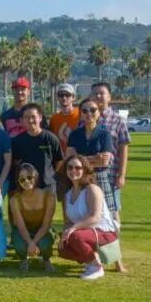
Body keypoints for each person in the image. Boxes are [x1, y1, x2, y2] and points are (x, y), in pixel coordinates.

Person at [58, 154, 120, 280]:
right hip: (83, 233)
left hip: (104, 232)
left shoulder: (92, 189)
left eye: (78, 168)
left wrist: (73, 229)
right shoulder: (67, 195)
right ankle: (91, 258)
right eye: (70, 167)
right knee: (63, 248)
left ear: (85, 170)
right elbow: (68, 221)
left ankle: (96, 267)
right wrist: (64, 234)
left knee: (75, 236)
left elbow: (95, 217)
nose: (73, 170)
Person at [92, 82, 130, 273]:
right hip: (91, 179)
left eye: (102, 93)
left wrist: (121, 175)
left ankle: (117, 260)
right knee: (93, 218)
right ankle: (95, 258)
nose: (98, 97)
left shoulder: (117, 120)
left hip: (111, 177)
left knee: (114, 219)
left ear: (109, 97)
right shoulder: (86, 119)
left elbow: (123, 149)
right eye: (95, 94)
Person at [66, 98, 116, 218]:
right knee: (81, 213)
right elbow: (70, 159)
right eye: (85, 111)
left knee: (107, 215)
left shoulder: (105, 134)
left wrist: (80, 160)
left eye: (93, 110)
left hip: (100, 178)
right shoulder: (74, 135)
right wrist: (95, 158)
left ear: (99, 113)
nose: (89, 113)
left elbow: (104, 162)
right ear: (81, 114)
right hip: (79, 178)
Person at [9, 163, 56, 273]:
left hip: (42, 229)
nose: (26, 181)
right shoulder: (14, 200)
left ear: (35, 176)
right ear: (18, 182)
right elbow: (21, 226)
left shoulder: (48, 196)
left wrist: (33, 242)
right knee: (19, 244)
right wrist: (30, 242)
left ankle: (46, 259)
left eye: (29, 177)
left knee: (44, 244)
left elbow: (46, 225)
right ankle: (23, 259)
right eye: (22, 179)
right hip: (24, 230)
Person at [11, 103, 63, 193]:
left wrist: (50, 175)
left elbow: (59, 160)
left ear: (40, 117)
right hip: (26, 186)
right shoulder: (17, 141)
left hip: (47, 186)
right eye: (26, 117)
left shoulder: (51, 138)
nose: (30, 120)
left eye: (33, 116)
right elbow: (16, 162)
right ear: (22, 120)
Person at [49, 83, 81, 211]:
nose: (64, 98)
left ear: (73, 97)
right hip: (62, 165)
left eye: (67, 95)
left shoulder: (80, 114)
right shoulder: (54, 118)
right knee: (65, 198)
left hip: (79, 162)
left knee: (81, 196)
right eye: (61, 95)